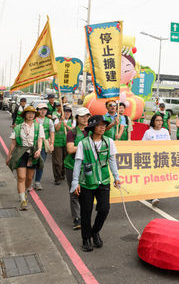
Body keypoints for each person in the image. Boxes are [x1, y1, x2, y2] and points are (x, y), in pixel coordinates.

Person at [70, 115, 122, 252]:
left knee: (104, 209)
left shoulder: (109, 142)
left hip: (103, 181)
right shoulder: (83, 143)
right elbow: (78, 162)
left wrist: (116, 177)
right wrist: (75, 182)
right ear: (93, 128)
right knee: (86, 211)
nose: (103, 127)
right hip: (87, 182)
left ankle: (95, 232)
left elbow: (112, 160)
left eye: (104, 125)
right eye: (100, 125)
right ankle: (86, 238)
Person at [5, 106, 44, 210]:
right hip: (20, 153)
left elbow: (40, 140)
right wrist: (9, 156)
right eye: (28, 113)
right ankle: (23, 200)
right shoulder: (18, 127)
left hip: (33, 154)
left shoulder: (38, 127)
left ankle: (25, 191)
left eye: (33, 113)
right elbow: (13, 143)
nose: (31, 115)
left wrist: (39, 150)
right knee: (21, 177)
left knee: (29, 178)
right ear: (24, 115)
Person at [65, 108, 90, 230]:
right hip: (72, 166)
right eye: (82, 116)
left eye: (87, 116)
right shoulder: (72, 133)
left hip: (87, 166)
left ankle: (83, 213)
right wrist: (85, 146)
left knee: (86, 191)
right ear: (77, 118)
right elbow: (70, 149)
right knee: (75, 191)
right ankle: (77, 218)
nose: (85, 118)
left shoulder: (92, 131)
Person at [141, 114, 171, 207]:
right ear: (153, 121)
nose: (160, 122)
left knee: (160, 178)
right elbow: (142, 146)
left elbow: (169, 144)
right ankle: (154, 196)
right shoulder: (148, 132)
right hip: (151, 159)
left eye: (161, 120)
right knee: (153, 177)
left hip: (163, 158)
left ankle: (154, 193)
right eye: (157, 120)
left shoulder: (165, 131)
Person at [33, 103, 55, 190]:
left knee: (40, 164)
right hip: (32, 146)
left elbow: (52, 133)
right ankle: (29, 181)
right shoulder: (33, 120)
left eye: (45, 109)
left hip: (43, 147)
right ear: (37, 110)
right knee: (31, 164)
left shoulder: (49, 121)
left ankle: (37, 182)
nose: (43, 111)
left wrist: (51, 143)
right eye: (41, 109)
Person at [52, 106, 74, 185]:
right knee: (58, 161)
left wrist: (66, 126)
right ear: (62, 112)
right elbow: (56, 129)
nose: (67, 113)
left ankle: (62, 175)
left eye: (69, 112)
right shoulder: (57, 120)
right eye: (65, 111)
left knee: (66, 160)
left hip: (68, 143)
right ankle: (57, 178)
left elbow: (73, 131)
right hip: (58, 143)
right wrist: (61, 121)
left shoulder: (72, 121)